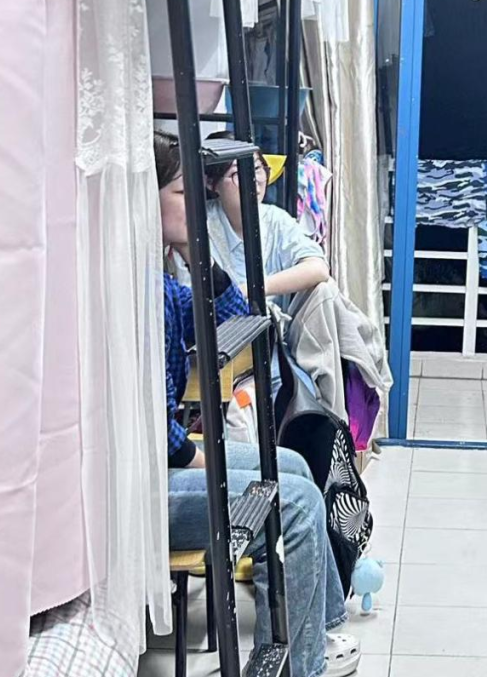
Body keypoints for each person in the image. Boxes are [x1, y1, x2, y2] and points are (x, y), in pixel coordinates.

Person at [154, 131, 359, 677]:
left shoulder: (169, 281)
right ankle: (301, 666)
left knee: (293, 466)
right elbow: (153, 430)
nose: (194, 206)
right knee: (294, 501)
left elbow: (232, 313)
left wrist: (197, 255)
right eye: (181, 194)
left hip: (163, 461)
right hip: (145, 484)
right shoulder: (141, 290)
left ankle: (317, 631)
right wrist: (201, 457)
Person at [175, 130, 329, 312]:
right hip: (224, 325)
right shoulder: (198, 224)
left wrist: (250, 290)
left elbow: (318, 268)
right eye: (237, 173)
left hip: (275, 324)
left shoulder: (274, 218)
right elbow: (191, 300)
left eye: (256, 169)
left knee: (325, 292)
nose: (253, 180)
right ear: (210, 183)